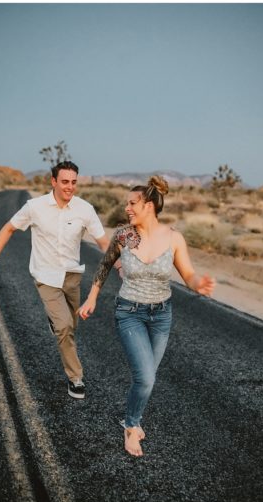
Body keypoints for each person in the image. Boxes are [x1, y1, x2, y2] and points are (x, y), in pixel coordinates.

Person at [77, 176, 216, 457]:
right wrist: (91, 297)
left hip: (162, 315)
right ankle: (131, 426)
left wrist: (198, 284)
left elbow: (187, 274)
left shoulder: (174, 237)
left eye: (132, 203)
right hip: (129, 312)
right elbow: (104, 266)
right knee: (145, 378)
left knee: (148, 376)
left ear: (149, 205)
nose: (127, 208)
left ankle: (132, 418)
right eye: (126, 203)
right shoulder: (125, 236)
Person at [0, 161, 111, 399]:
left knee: (71, 327)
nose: (70, 187)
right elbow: (8, 228)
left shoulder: (84, 209)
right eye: (65, 182)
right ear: (53, 181)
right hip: (46, 277)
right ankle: (76, 378)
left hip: (72, 276)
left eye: (73, 182)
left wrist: (119, 262)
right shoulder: (35, 207)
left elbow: (102, 241)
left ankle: (56, 321)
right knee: (64, 328)